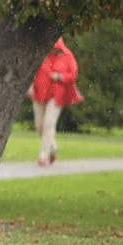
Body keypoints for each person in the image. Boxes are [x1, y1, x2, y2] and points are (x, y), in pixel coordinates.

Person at [28, 37, 84, 166]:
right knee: (39, 125)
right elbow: (30, 71)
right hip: (39, 91)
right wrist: (30, 86)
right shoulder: (40, 53)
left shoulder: (67, 55)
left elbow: (73, 73)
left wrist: (60, 77)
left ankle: (43, 155)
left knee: (49, 123)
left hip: (56, 94)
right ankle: (52, 147)